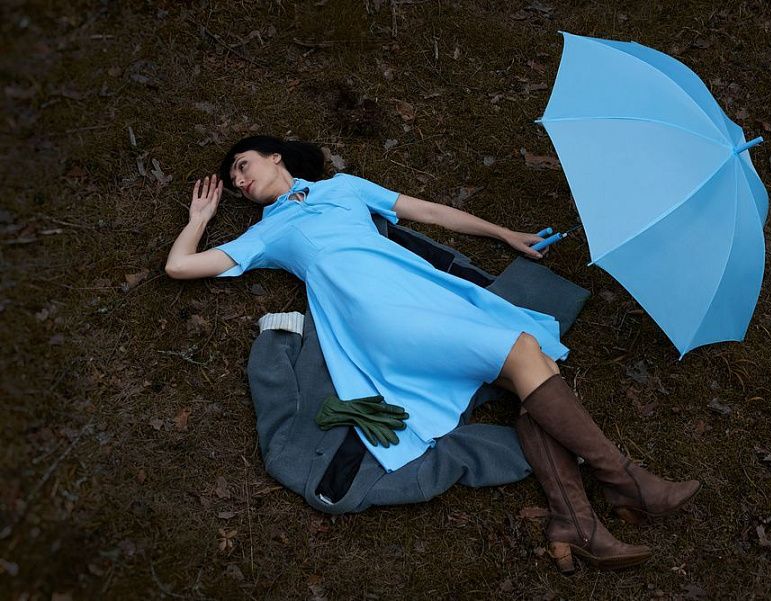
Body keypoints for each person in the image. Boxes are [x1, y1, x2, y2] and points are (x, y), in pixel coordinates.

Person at [165, 135, 700, 573]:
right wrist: (199, 219)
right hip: (377, 315)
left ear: (275, 155)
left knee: (532, 366)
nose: (240, 181)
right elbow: (179, 267)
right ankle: (623, 479)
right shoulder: (266, 233)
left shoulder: (343, 187)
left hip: (423, 294)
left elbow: (422, 210)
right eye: (234, 180)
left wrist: (502, 233)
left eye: (242, 165)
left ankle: (576, 524)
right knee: (522, 350)